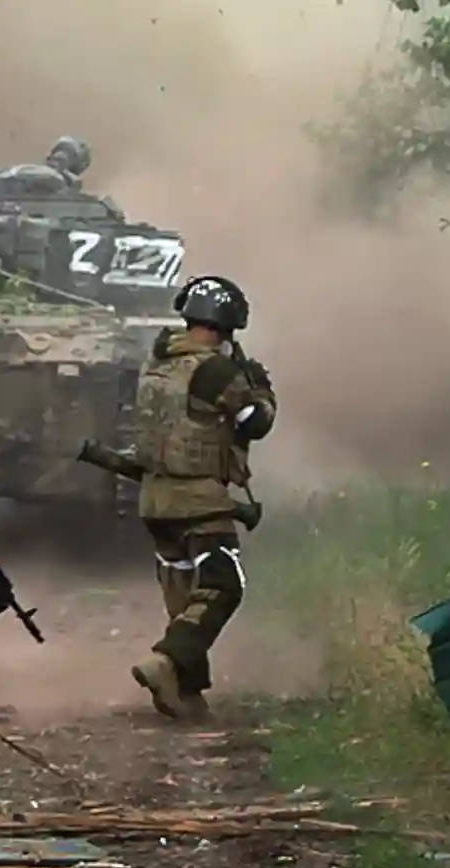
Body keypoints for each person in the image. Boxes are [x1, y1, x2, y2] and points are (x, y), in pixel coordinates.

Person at [129, 275, 277, 723]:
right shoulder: (216, 371)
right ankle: (166, 662)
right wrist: (260, 388)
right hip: (198, 499)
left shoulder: (157, 362)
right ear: (226, 325)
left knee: (185, 602)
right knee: (223, 586)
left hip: (154, 500)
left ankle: (187, 695)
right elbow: (256, 423)